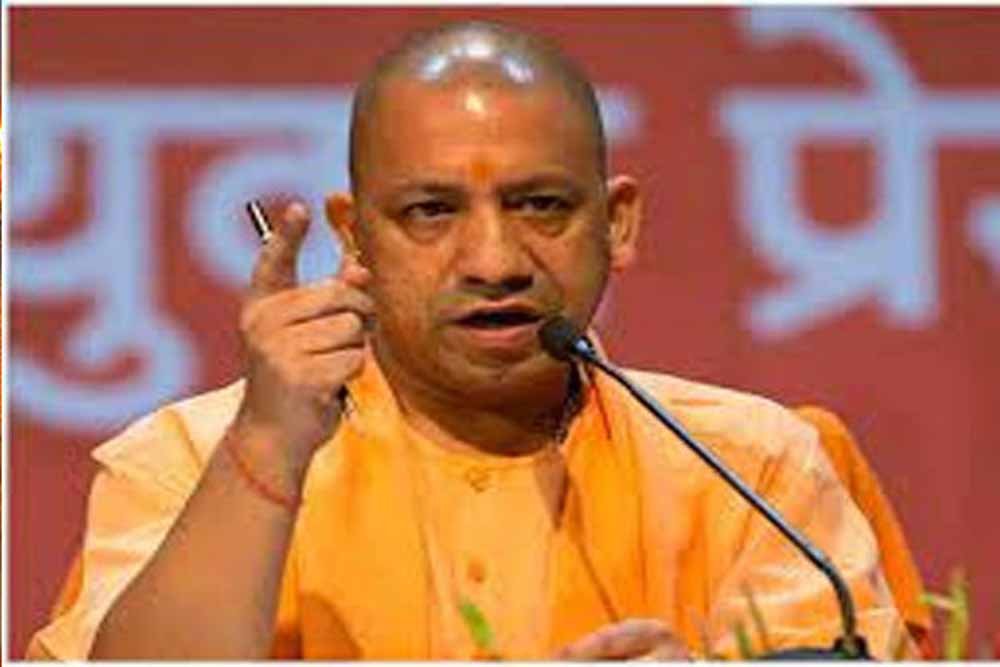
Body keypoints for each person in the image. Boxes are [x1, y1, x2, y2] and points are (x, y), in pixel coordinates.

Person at [28, 21, 919, 660]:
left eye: (541, 205)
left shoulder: (750, 466)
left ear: (616, 222)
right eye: (431, 211)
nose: (494, 261)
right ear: (355, 238)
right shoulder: (188, 461)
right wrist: (265, 450)